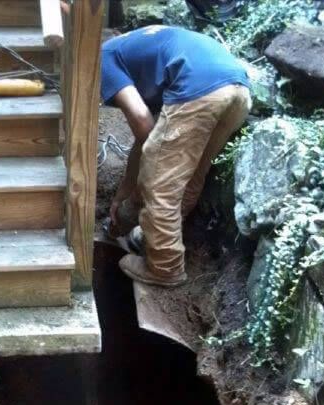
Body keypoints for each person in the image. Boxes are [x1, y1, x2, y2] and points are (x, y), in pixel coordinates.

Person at [102, 25, 251, 287]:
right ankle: (155, 239)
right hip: (237, 87)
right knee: (192, 175)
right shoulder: (134, 45)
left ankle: (165, 265)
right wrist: (125, 189)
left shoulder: (102, 58)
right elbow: (145, 139)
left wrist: (130, 199)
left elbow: (142, 123)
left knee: (160, 184)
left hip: (198, 87)